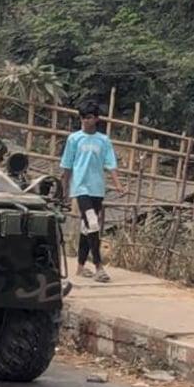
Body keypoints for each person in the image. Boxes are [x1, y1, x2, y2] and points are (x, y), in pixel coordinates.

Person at [60, 100, 127, 282]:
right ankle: (99, 266)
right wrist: (65, 188)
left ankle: (81, 267)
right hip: (80, 187)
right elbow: (67, 165)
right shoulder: (74, 139)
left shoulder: (103, 141)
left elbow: (110, 164)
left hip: (97, 188)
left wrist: (118, 184)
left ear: (96, 119)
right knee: (93, 223)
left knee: (86, 228)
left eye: (90, 117)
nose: (86, 121)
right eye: (84, 118)